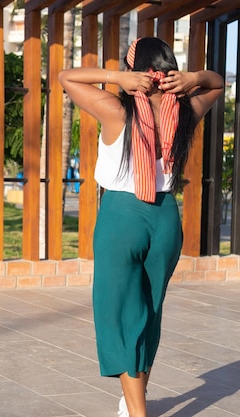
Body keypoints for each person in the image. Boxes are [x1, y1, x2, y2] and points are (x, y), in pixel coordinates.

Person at [58, 37, 224, 417]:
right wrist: (194, 77)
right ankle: (133, 401)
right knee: (148, 313)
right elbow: (217, 83)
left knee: (119, 316)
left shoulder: (115, 109)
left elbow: (66, 77)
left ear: (136, 70)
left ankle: (138, 413)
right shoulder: (183, 112)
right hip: (166, 220)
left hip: (122, 217)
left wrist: (114, 76)